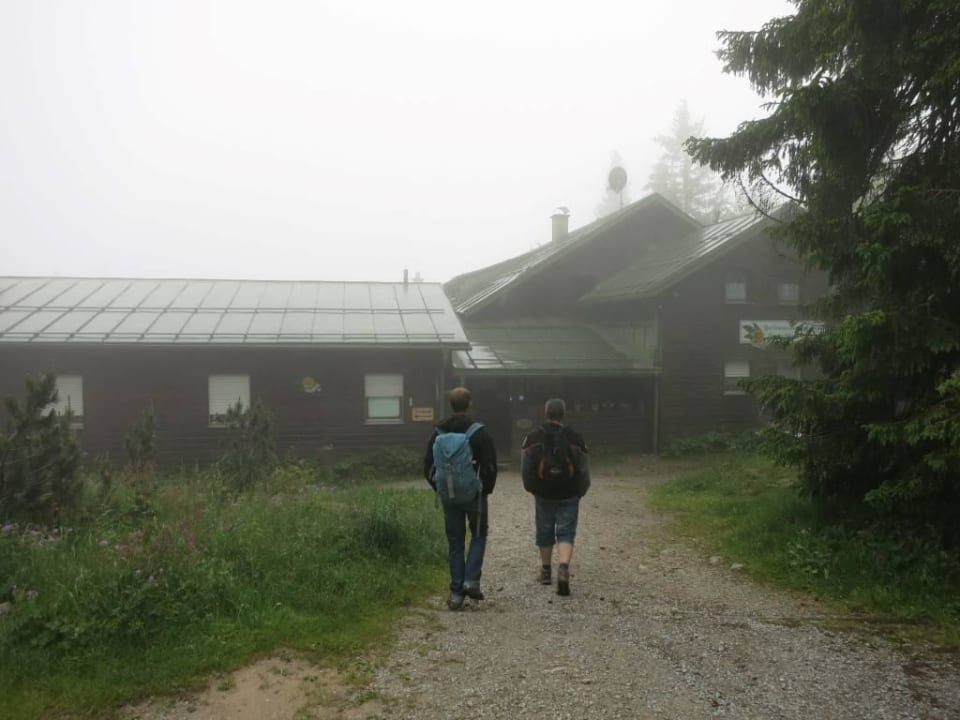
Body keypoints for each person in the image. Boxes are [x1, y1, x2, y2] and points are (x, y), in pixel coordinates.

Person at [423, 387, 498, 610]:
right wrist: (484, 489)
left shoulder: (438, 433)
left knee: (455, 542)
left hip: (448, 494)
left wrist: (441, 489)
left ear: (450, 405)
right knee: (478, 534)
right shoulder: (479, 432)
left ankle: (456, 594)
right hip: (474, 494)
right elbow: (491, 466)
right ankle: (471, 580)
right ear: (469, 405)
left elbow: (427, 466)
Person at [520, 398, 590, 596]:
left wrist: (531, 487)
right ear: (563, 414)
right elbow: (584, 469)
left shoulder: (533, 437)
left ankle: (545, 570)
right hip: (569, 492)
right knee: (566, 531)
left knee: (545, 528)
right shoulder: (575, 437)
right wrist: (581, 490)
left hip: (544, 492)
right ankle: (564, 568)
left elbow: (525, 467)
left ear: (546, 413)